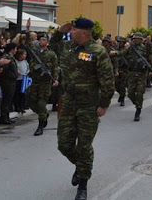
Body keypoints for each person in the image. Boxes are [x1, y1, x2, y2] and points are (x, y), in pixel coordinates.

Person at [56, 18, 114, 200]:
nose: (70, 32)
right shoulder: (67, 47)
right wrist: (59, 31)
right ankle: (81, 166)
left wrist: (103, 105)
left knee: (84, 146)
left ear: (82, 32)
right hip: (68, 103)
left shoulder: (97, 51)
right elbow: (52, 45)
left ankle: (83, 184)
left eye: (72, 29)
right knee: (64, 145)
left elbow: (108, 82)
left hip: (88, 106)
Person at [115, 33, 152, 122]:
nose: (136, 40)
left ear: (141, 40)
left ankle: (138, 110)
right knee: (130, 93)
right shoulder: (131, 48)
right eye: (135, 39)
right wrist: (115, 53)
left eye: (138, 39)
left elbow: (150, 58)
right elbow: (122, 52)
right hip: (132, 73)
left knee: (140, 93)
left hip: (141, 74)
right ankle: (137, 103)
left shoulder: (145, 49)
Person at [28, 34, 58, 136]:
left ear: (47, 42)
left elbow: (55, 68)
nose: (41, 41)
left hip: (45, 83)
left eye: (43, 40)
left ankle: (40, 126)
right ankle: (44, 114)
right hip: (35, 81)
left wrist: (55, 79)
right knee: (32, 103)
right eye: (40, 39)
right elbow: (28, 43)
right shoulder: (35, 52)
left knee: (41, 104)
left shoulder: (51, 54)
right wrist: (28, 31)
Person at [0, 43, 18, 125]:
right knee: (6, 99)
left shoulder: (11, 57)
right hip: (7, 81)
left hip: (11, 81)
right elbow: (3, 70)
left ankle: (7, 116)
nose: (16, 51)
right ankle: (4, 117)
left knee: (9, 100)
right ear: (12, 49)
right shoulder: (6, 58)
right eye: (15, 49)